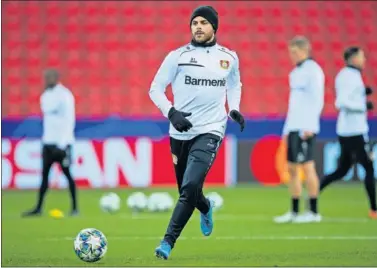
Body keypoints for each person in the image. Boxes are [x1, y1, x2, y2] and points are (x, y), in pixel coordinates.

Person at [149, 5, 244, 259]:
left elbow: (235, 84)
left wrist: (233, 108)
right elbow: (155, 88)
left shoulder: (228, 57)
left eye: (203, 22)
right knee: (188, 191)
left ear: (214, 27)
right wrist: (171, 112)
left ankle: (167, 242)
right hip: (179, 132)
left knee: (190, 186)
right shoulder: (177, 56)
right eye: (194, 23)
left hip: (211, 129)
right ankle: (206, 206)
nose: (198, 26)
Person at [319, 47, 376, 219]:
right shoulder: (347, 76)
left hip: (350, 130)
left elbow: (349, 96)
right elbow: (341, 102)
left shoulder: (352, 75)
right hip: (353, 131)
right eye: (361, 56)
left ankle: (314, 193)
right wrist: (363, 106)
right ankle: (374, 209)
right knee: (368, 167)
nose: (364, 59)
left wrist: (362, 93)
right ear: (352, 58)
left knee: (342, 170)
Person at [274, 36, 325, 223]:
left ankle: (313, 212)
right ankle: (294, 212)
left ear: (305, 50)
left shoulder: (314, 71)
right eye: (291, 53)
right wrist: (287, 130)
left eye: (295, 52)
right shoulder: (295, 72)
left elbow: (317, 100)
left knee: (308, 167)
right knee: (292, 169)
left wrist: (310, 126)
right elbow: (293, 104)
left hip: (306, 127)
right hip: (294, 126)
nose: (292, 56)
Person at [22, 69, 78, 217]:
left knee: (68, 174)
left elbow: (69, 119)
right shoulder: (46, 95)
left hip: (62, 143)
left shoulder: (65, 95)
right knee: (44, 176)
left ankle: (75, 208)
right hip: (48, 142)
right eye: (45, 77)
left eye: (49, 77)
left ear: (56, 78)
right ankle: (38, 208)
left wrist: (63, 143)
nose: (46, 80)